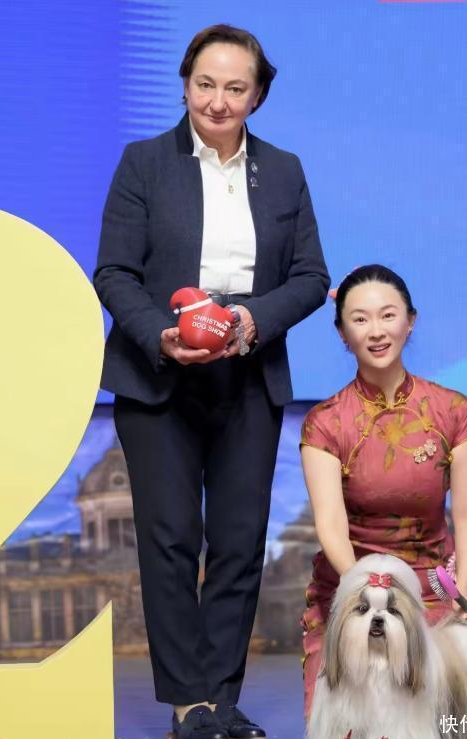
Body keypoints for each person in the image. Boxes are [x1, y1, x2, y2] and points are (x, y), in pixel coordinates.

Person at [94, 24, 330, 739]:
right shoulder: (143, 162)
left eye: (235, 87)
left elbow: (310, 277)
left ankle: (220, 702)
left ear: (257, 95)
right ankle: (187, 704)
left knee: (238, 542)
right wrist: (160, 335)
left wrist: (252, 321)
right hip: (158, 376)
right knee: (170, 539)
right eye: (204, 84)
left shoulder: (283, 170)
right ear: (184, 84)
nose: (217, 101)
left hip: (248, 374)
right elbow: (114, 272)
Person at [299, 264, 467, 716]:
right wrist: (362, 595)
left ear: (410, 321)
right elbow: (330, 524)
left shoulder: (452, 411)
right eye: (360, 319)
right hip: (350, 595)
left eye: (388, 315)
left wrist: (461, 594)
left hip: (430, 594)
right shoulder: (325, 423)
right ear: (342, 332)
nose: (377, 331)